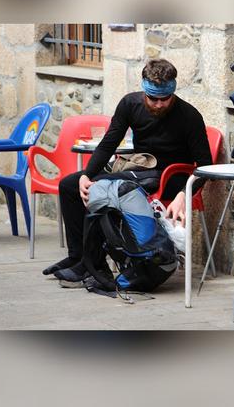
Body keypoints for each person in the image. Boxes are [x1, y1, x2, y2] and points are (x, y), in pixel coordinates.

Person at [42, 58, 213, 285]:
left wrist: (184, 193)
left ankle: (92, 264)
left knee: (105, 188)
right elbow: (108, 143)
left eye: (165, 99)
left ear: (173, 92)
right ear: (144, 91)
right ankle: (78, 257)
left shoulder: (189, 116)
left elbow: (205, 165)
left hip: (169, 175)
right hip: (139, 167)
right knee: (70, 185)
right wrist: (86, 174)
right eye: (153, 99)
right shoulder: (129, 105)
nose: (160, 104)